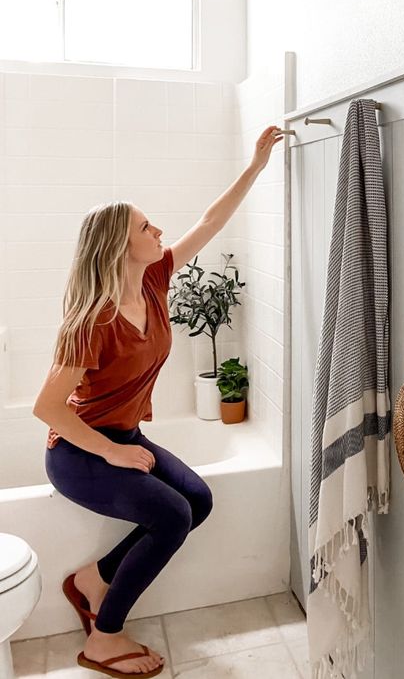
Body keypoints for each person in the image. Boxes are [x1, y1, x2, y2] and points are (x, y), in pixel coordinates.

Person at [33, 125, 284, 677]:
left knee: (197, 499)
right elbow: (48, 409)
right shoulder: (91, 319)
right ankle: (104, 638)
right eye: (147, 227)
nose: (159, 231)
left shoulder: (154, 279)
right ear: (121, 247)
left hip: (123, 437)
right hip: (78, 453)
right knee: (171, 516)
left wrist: (256, 166)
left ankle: (91, 581)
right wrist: (113, 453)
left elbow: (210, 223)